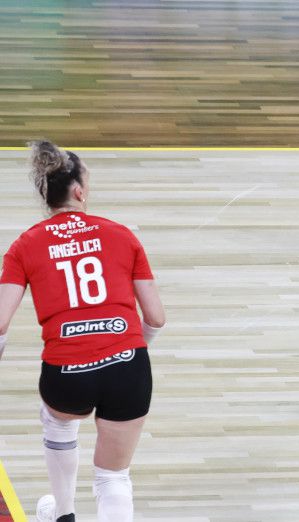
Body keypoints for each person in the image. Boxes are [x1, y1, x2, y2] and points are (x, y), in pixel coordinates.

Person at [0, 141, 165, 522]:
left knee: (58, 422)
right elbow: (155, 317)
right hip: (128, 367)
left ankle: (64, 513)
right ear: (79, 190)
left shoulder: (24, 245)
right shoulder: (122, 235)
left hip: (66, 372)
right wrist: (134, 350)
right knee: (113, 476)